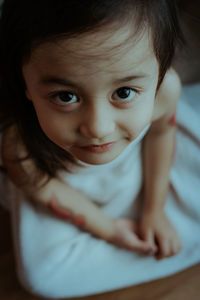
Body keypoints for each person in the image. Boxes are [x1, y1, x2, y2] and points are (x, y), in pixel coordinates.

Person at [0, 0, 185, 298]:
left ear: (160, 72)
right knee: (42, 277)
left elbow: (162, 135)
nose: (98, 128)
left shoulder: (167, 91)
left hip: (132, 165)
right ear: (24, 83)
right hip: (60, 180)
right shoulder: (17, 140)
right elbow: (45, 188)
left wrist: (155, 209)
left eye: (124, 93)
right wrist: (109, 231)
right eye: (65, 96)